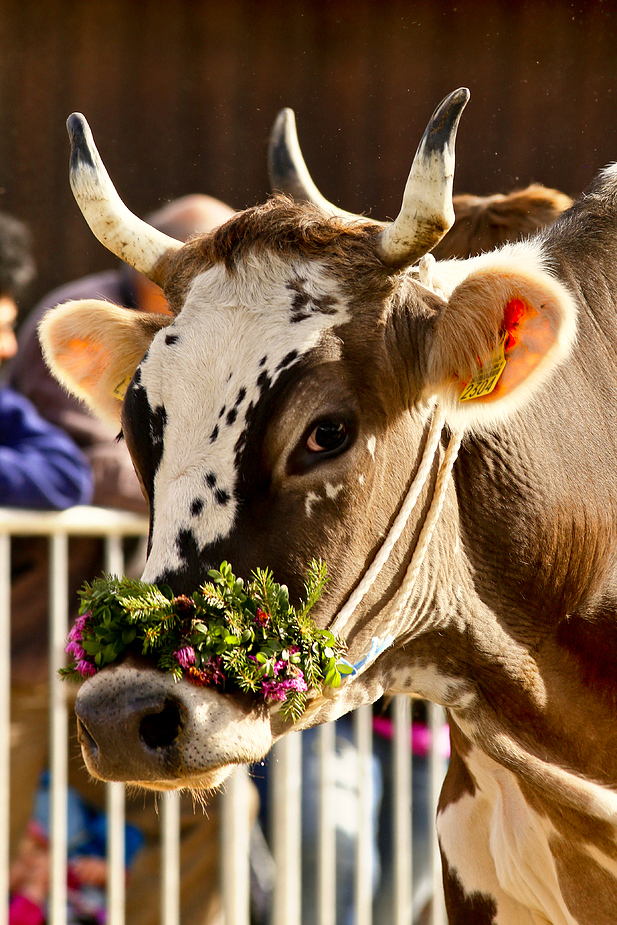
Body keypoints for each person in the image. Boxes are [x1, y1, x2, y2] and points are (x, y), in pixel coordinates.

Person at [6, 195, 243, 925]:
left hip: (126, 659)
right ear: (159, 279)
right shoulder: (80, 317)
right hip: (29, 656)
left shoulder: (226, 335)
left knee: (214, 799)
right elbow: (90, 467)